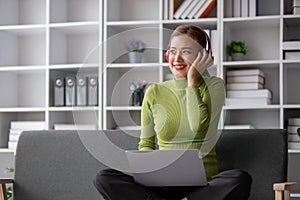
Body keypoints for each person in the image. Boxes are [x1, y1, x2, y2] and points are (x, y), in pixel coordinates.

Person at [94, 25, 252, 200]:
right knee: (104, 178)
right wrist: (145, 173)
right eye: (172, 51)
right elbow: (146, 144)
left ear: (202, 56)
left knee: (239, 180)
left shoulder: (215, 86)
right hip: (159, 186)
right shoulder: (154, 92)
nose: (177, 58)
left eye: (185, 51)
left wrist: (192, 80)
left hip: (201, 188)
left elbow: (197, 127)